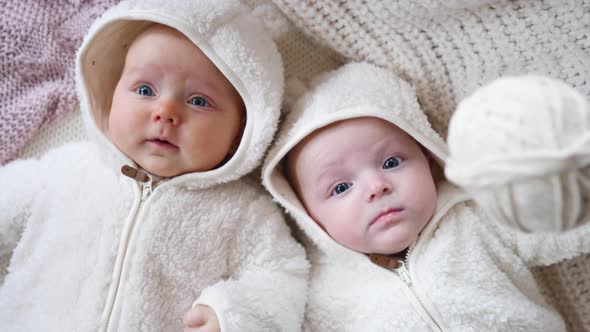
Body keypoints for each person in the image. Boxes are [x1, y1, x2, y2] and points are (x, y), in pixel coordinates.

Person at [0, 0, 308, 331]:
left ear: (244, 130)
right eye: (145, 89)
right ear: (111, 95)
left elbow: (281, 276)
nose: (165, 111)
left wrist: (232, 314)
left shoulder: (244, 212)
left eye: (199, 101)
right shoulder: (64, 170)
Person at [262, 62, 590, 331]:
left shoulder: (475, 219)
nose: (376, 186)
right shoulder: (319, 290)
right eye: (341, 187)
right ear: (305, 213)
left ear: (429, 160)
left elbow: (557, 226)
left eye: (391, 162)